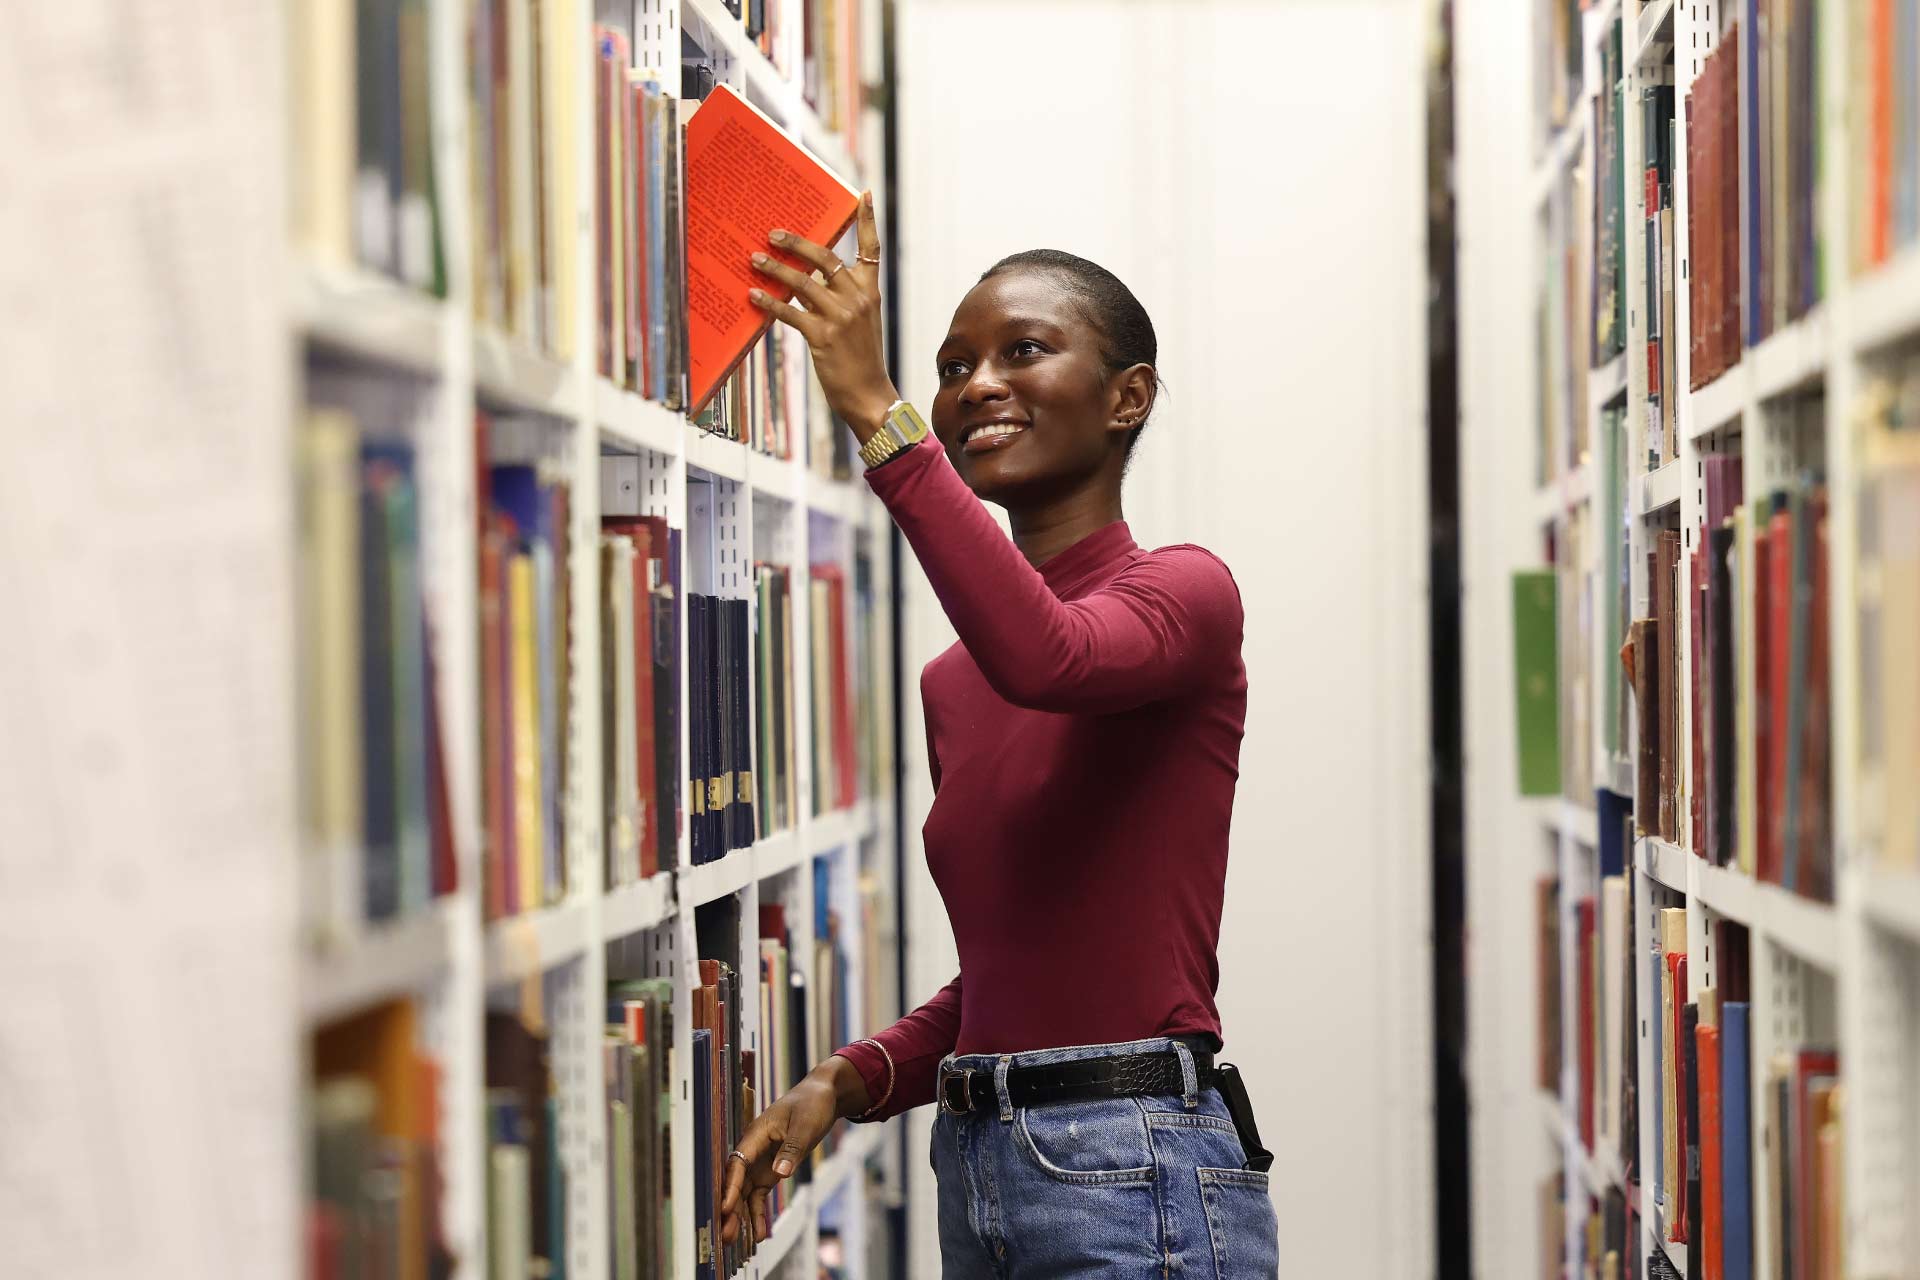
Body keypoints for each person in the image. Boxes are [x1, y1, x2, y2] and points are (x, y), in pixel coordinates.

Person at [718, 191, 1276, 1278]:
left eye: (1023, 349)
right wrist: (852, 1075)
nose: (976, 384)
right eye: (952, 363)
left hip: (1133, 1166)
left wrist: (881, 414)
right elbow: (1019, 975)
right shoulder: (952, 682)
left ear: (1129, 396)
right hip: (978, 1165)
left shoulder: (1185, 596)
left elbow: (1054, 655)